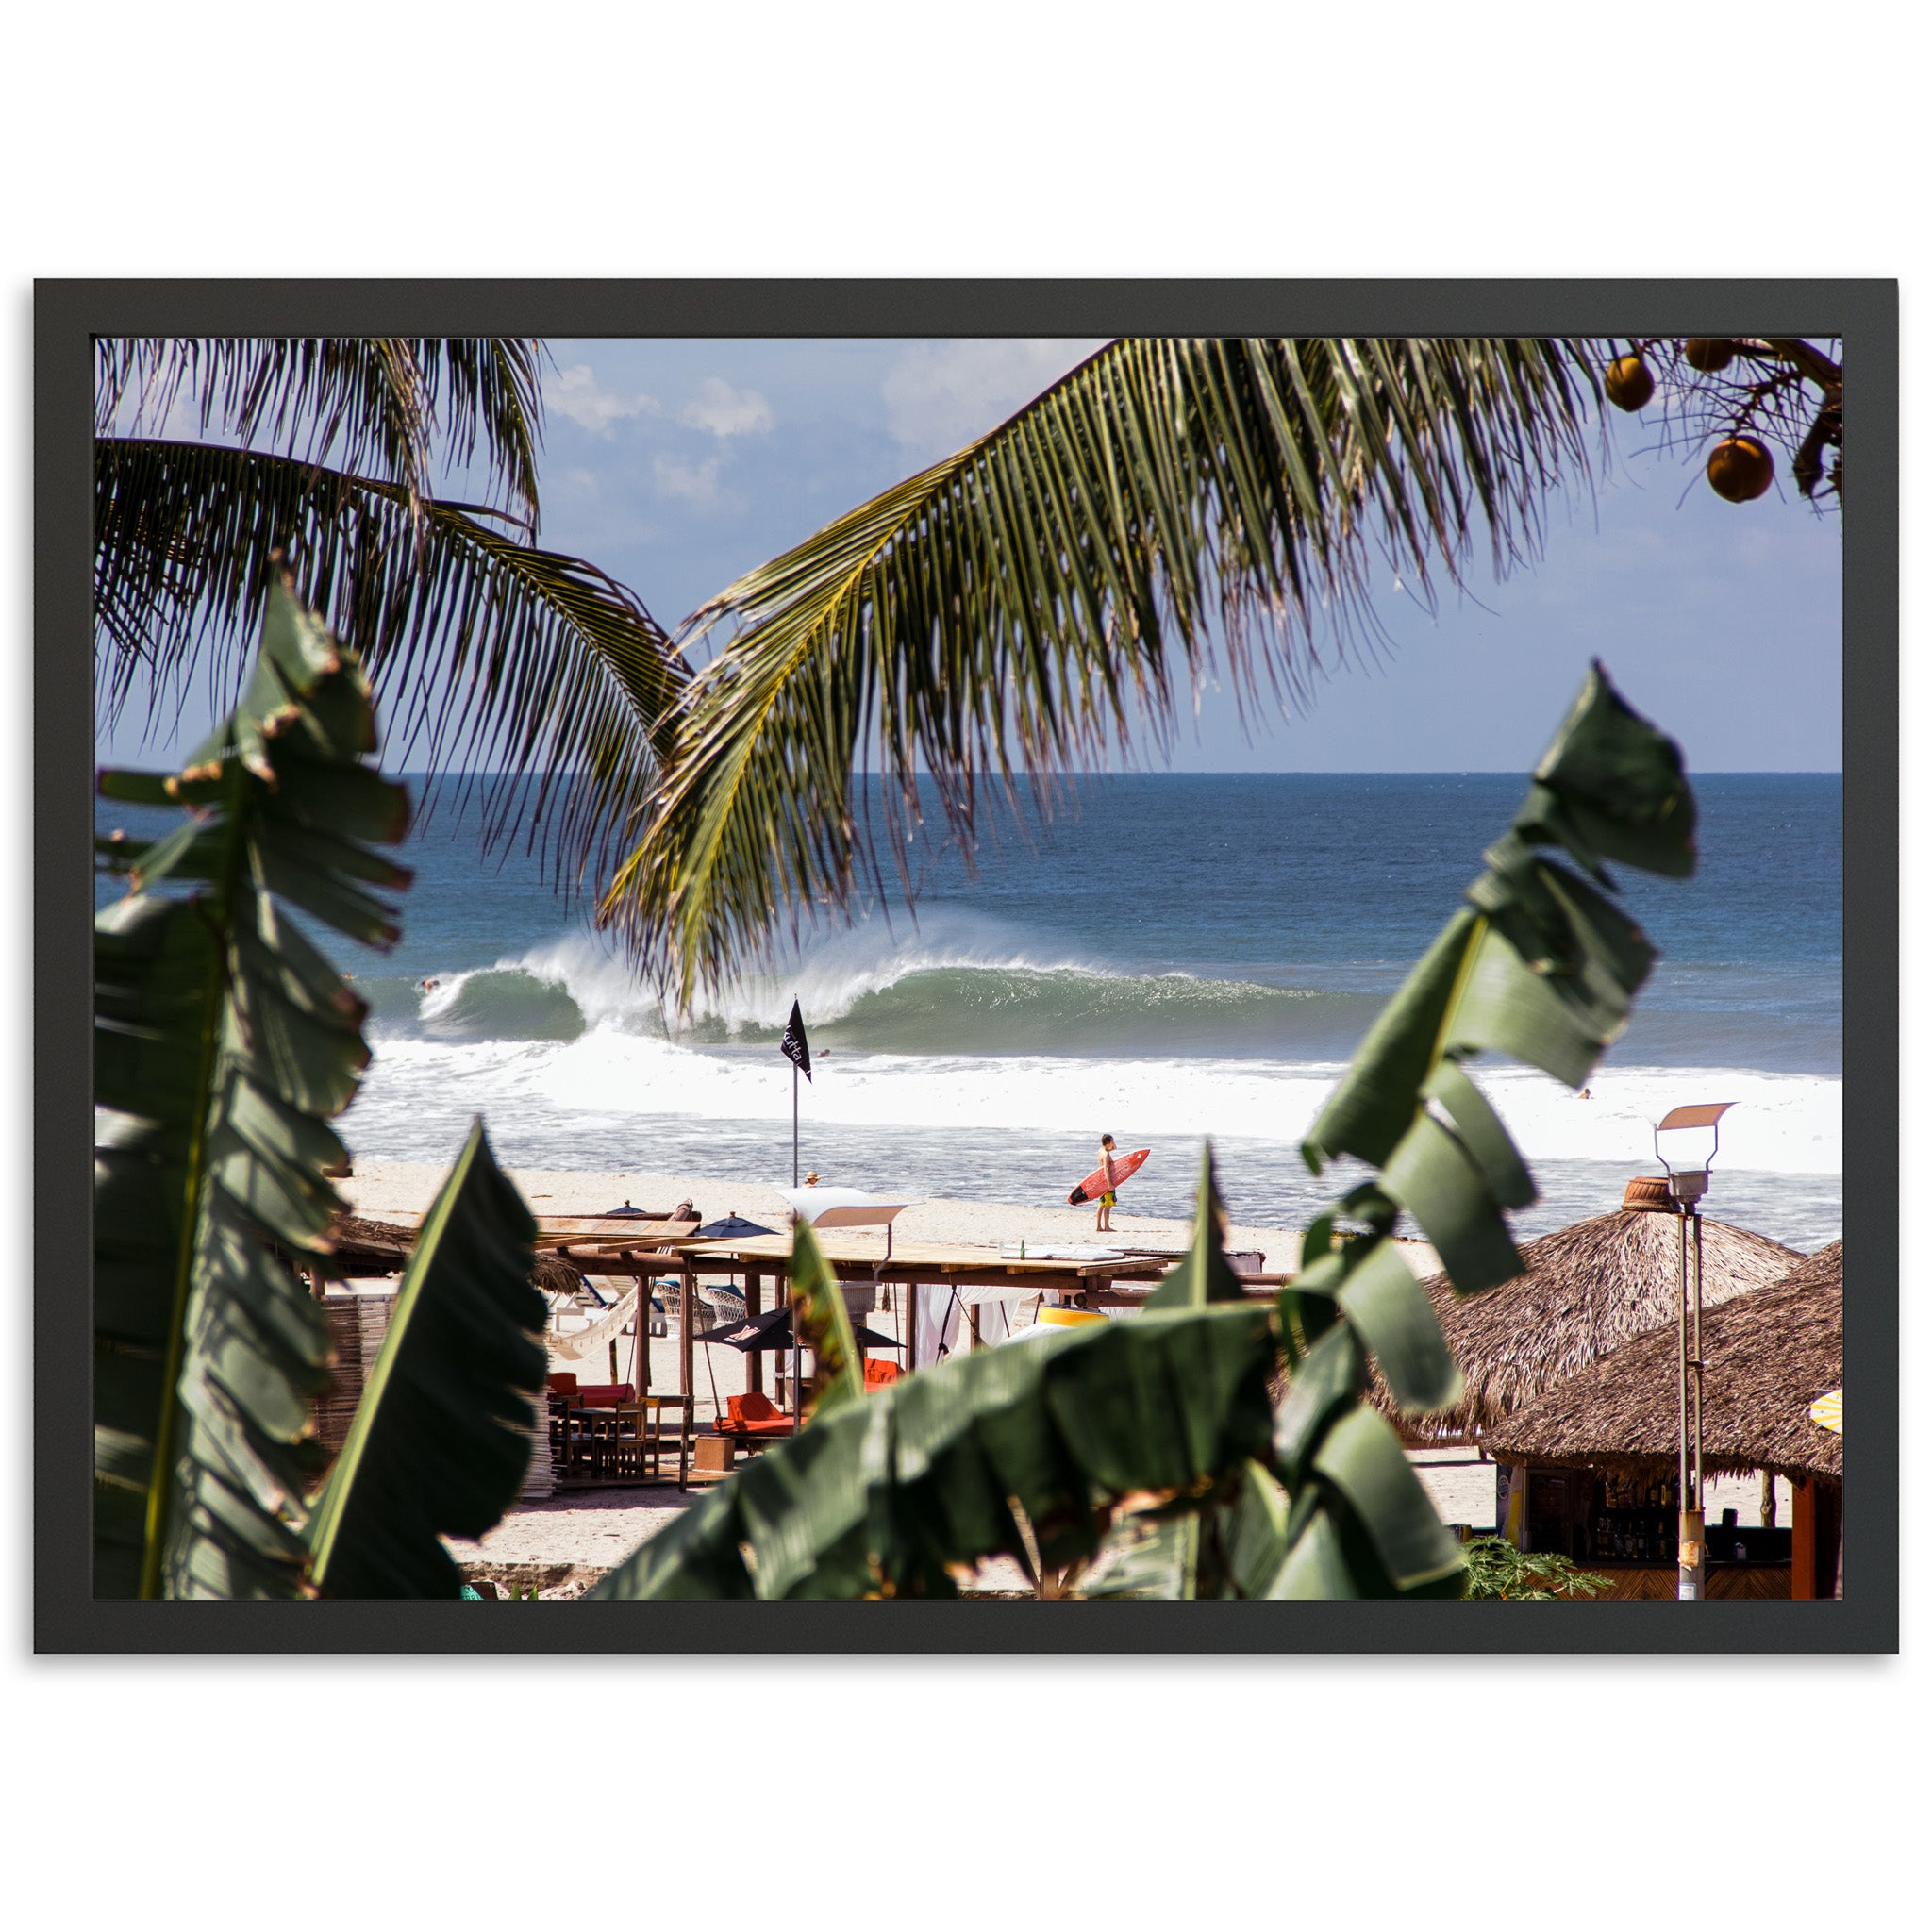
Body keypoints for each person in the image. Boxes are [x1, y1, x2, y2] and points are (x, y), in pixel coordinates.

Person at [1094, 1133, 1119, 1234]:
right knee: (1107, 1206)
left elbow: (1115, 1148)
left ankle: (1098, 1226)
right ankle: (1107, 1226)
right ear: (1108, 1142)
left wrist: (1112, 1144)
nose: (1113, 1143)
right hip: (1106, 1181)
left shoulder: (1101, 1151)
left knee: (1101, 1204)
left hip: (1101, 1180)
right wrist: (1110, 1184)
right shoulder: (1106, 1154)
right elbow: (1106, 1170)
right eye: (1112, 1141)